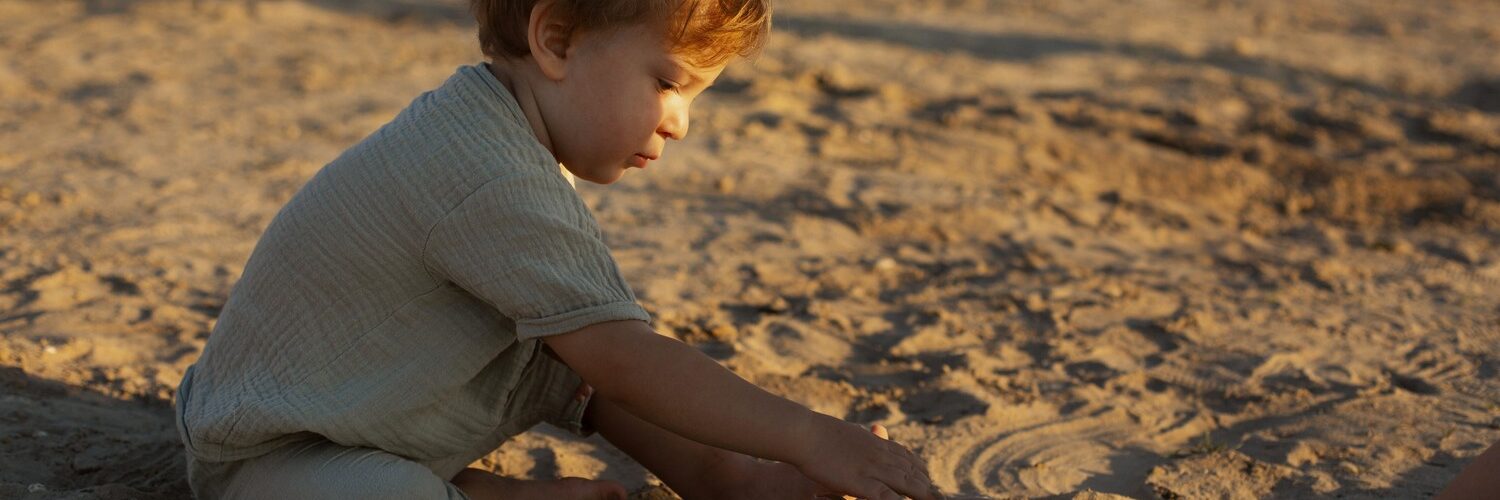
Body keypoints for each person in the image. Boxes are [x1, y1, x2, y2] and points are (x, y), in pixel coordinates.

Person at [172, 1, 942, 499]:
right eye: (669, 82)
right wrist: (810, 433)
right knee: (602, 358)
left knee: (574, 355)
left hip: (376, 410)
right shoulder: (483, 171)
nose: (680, 123)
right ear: (557, 39)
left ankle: (726, 475)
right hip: (276, 459)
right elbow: (625, 356)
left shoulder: (502, 139)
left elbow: (602, 361)